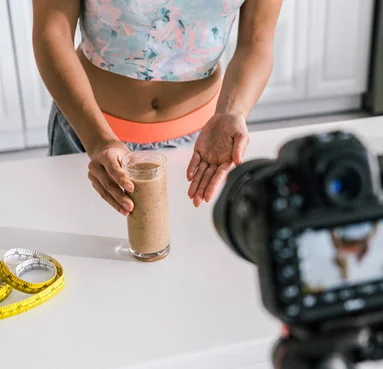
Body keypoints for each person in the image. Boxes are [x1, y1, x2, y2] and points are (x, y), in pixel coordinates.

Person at [33, 0, 282, 216]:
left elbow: (256, 42)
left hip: (204, 148)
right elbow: (52, 33)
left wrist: (232, 112)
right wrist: (98, 141)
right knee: (78, 247)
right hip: (87, 132)